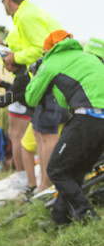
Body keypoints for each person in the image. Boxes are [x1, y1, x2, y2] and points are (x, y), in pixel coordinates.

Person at [0, 0, 67, 192]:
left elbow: (41, 49)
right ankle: (42, 187)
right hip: (50, 79)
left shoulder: (26, 17)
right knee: (37, 136)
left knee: (45, 136)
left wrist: (14, 55)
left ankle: (46, 188)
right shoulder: (27, 14)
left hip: (51, 81)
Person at [25, 30, 104, 224]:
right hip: (99, 122)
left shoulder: (51, 63)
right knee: (74, 172)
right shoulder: (85, 58)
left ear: (48, 50)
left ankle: (88, 214)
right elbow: (66, 99)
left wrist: (37, 75)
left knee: (56, 170)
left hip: (86, 118)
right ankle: (60, 221)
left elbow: (31, 98)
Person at [0, 60, 32, 180]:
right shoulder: (23, 73)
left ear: (10, 65)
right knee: (17, 138)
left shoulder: (22, 77)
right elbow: (15, 90)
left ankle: (22, 177)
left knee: (17, 139)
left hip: (27, 111)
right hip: (29, 110)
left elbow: (1, 101)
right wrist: (1, 83)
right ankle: (22, 176)